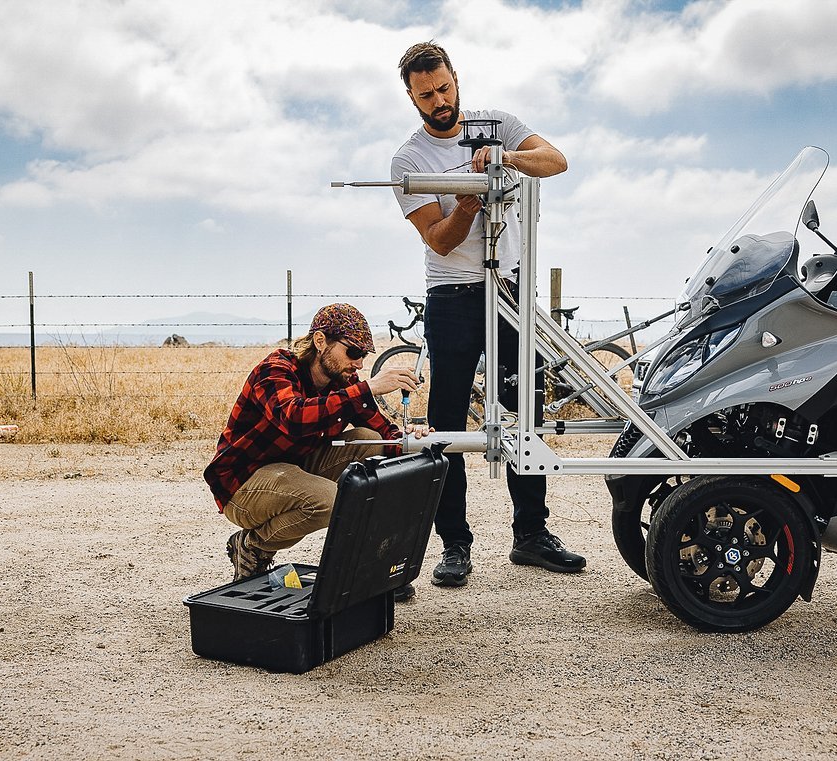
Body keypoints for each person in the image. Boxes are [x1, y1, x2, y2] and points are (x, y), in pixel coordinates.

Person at [390, 41, 586, 587]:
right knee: (448, 423)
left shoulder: (497, 123)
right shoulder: (408, 160)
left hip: (512, 290)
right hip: (454, 298)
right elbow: (439, 241)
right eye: (426, 95)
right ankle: (454, 545)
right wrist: (472, 199)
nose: (439, 101)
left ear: (457, 79)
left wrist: (504, 160)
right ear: (411, 98)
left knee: (525, 409)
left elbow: (555, 161)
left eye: (445, 88)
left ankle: (531, 535)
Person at [203, 303, 430, 592]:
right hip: (244, 482)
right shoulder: (276, 369)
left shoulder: (343, 381)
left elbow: (383, 433)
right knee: (329, 500)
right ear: (320, 341)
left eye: (363, 355)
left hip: (293, 468)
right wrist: (368, 387)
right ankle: (252, 547)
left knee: (368, 440)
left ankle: (372, 565)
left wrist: (411, 438)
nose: (359, 363)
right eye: (353, 352)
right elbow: (294, 417)